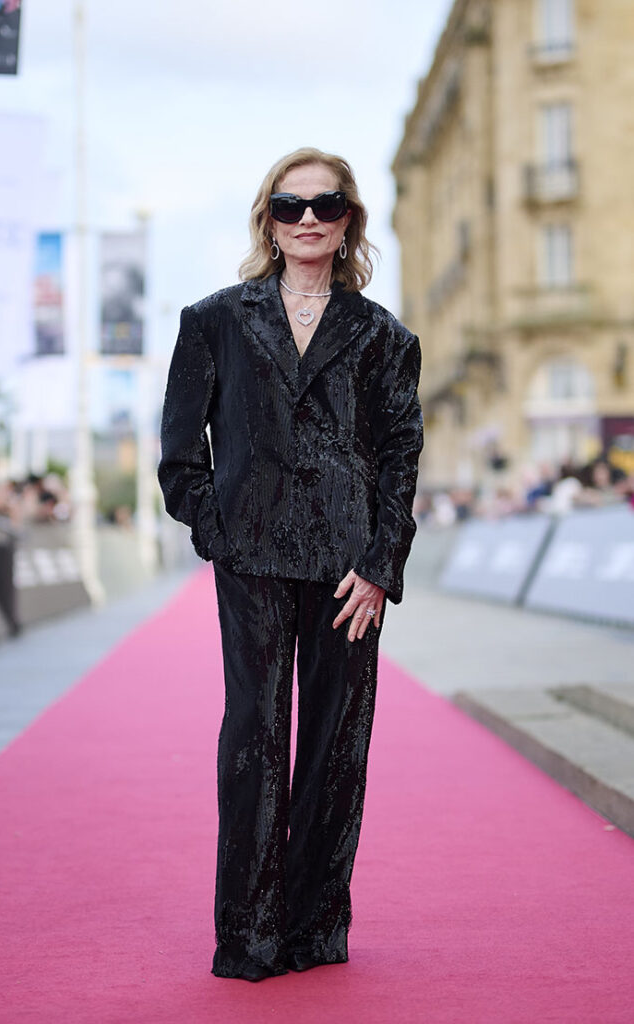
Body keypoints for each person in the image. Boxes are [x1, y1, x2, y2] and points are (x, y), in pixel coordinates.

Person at [158, 147, 424, 983]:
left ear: (348, 221)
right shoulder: (214, 320)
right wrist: (218, 531)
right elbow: (179, 453)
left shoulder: (384, 335)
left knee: (337, 746)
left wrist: (382, 564)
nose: (306, 218)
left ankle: (313, 928)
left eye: (324, 204)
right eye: (288, 204)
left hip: (351, 569)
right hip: (254, 558)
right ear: (267, 220)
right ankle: (249, 936)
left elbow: (400, 457)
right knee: (254, 738)